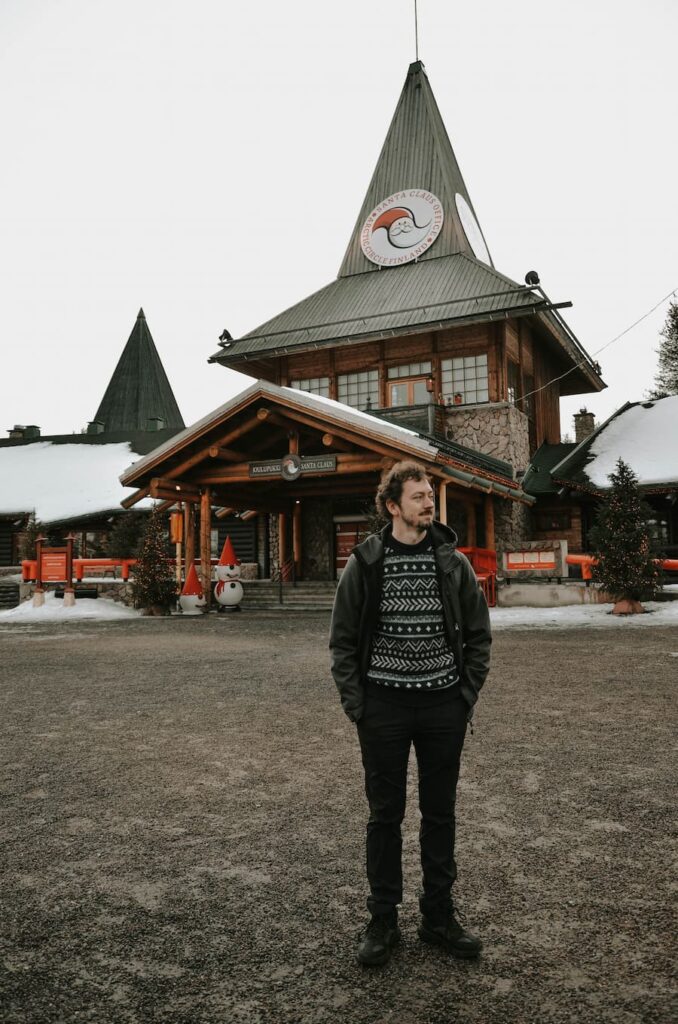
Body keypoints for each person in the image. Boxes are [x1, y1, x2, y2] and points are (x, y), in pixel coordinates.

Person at [329, 461, 491, 966]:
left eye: (430, 496)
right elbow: (342, 641)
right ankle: (383, 920)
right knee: (385, 816)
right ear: (393, 506)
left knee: (440, 813)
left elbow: (480, 635)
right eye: (419, 496)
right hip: (384, 708)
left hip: (443, 706)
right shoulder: (366, 562)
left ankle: (438, 916)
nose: (429, 504)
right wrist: (359, 706)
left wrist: (465, 695)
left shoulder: (453, 563)